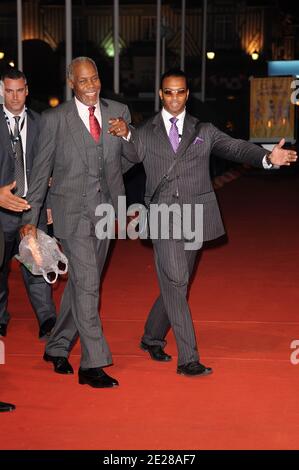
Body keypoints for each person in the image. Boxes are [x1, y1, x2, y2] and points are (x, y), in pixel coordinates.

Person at [116, 69, 297, 377]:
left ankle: (151, 337)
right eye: (168, 92)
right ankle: (188, 359)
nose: (174, 98)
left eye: (180, 92)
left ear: (188, 94)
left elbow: (236, 147)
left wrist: (267, 158)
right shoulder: (144, 131)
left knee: (177, 283)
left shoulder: (204, 130)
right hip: (161, 217)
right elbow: (124, 160)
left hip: (195, 217)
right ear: (161, 94)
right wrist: (123, 137)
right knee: (175, 282)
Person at [20, 57, 136, 389]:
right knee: (88, 282)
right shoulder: (54, 119)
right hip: (69, 213)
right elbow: (41, 174)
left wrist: (127, 136)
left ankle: (57, 346)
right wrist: (31, 221)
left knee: (81, 284)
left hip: (105, 212)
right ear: (72, 83)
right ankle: (92, 363)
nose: (91, 87)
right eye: (83, 82)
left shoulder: (119, 112)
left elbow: (132, 158)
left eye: (94, 79)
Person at [0, 69, 56, 339]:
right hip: (1, 209)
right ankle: (0, 317)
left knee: (37, 261)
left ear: (27, 90)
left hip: (32, 208)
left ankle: (47, 319)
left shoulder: (41, 122)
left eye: (19, 90)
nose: (14, 97)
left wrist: (50, 191)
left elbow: (52, 162)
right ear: (2, 91)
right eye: (9, 91)